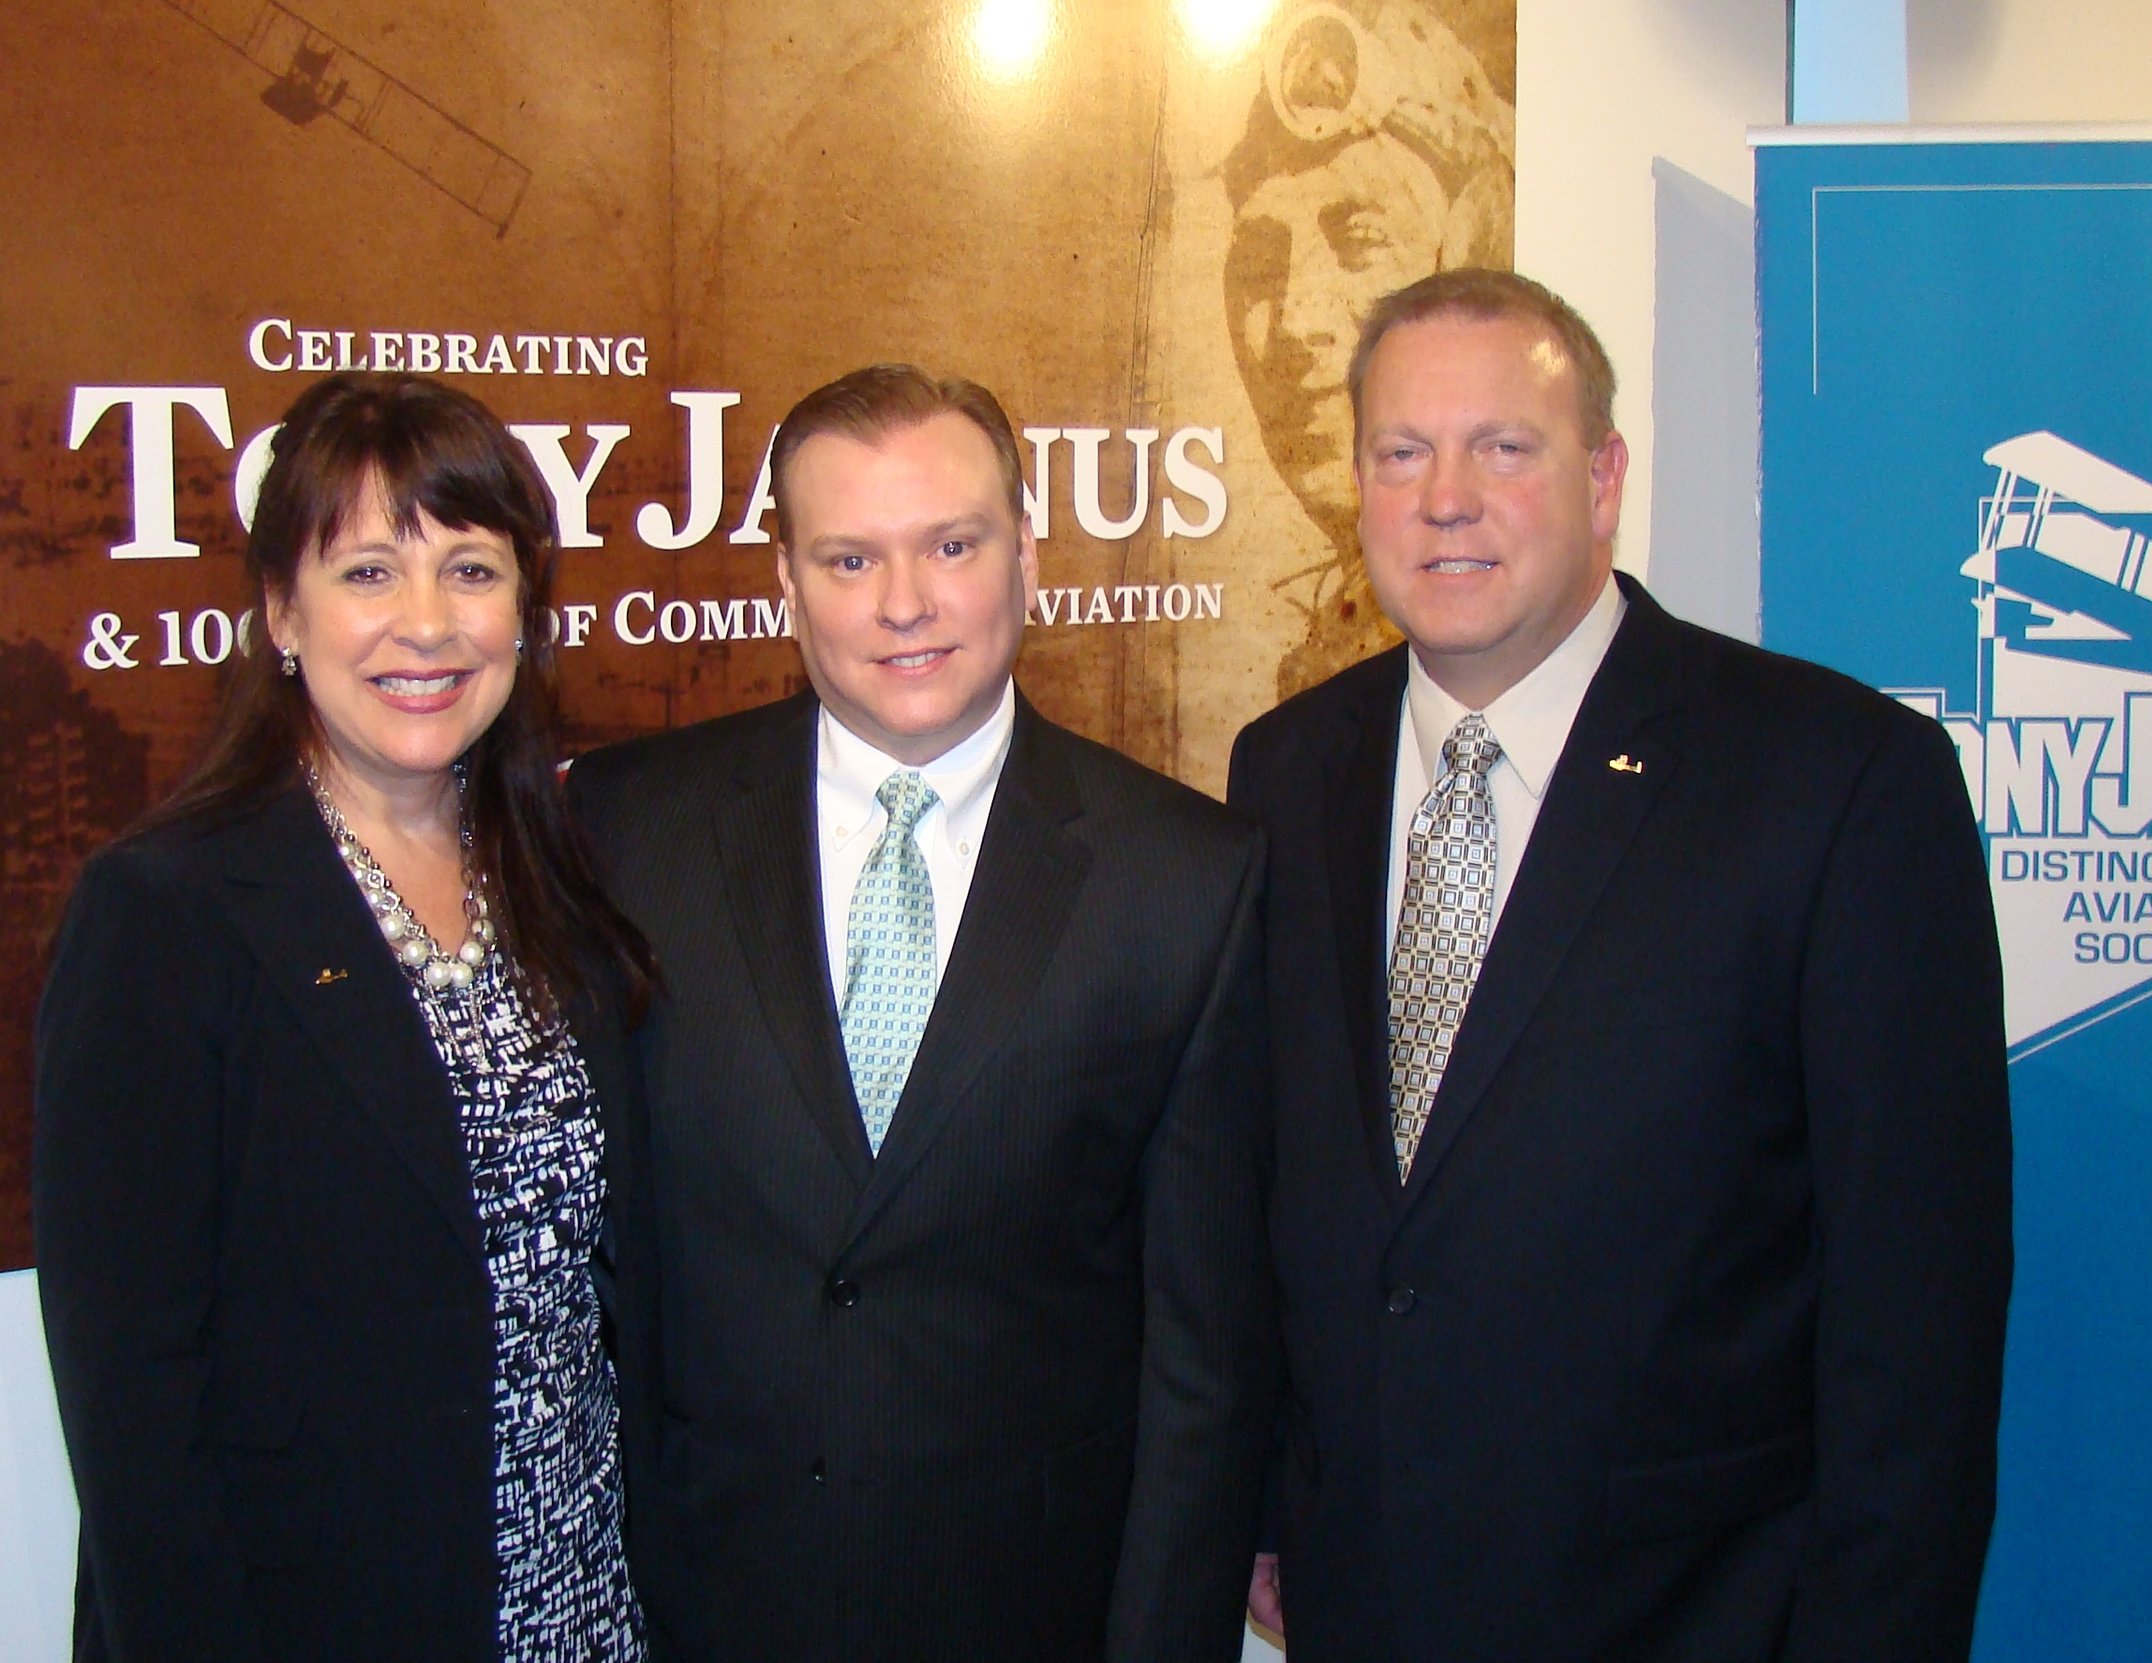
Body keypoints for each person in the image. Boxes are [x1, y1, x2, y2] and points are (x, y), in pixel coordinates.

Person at [1226, 268, 2014, 1663]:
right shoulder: (1287, 769)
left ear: (1604, 478)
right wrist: (1272, 1503)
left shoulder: (1835, 781)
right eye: (1401, 452)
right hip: (1365, 1601)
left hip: (1694, 1612)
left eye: (1502, 448)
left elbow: (1918, 1312)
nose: (1444, 496)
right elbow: (1286, 1194)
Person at [568, 364, 1276, 1662]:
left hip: (1028, 1611)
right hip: (701, 1608)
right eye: (849, 557)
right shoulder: (625, 825)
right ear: (785, 578)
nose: (905, 603)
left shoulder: (1186, 874)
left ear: (1028, 551)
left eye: (952, 543)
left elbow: (1206, 1359)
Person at [34, 372, 660, 1663]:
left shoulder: (572, 879)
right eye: (368, 572)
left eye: (471, 571)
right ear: (279, 611)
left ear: (526, 610)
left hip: (586, 1603)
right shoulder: (167, 911)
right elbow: (134, 1405)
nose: (425, 626)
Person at [1220, 0, 1513, 697]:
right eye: (1262, 266)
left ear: (1468, 258)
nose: (1293, 324)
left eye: (1360, 242)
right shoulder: (1308, 712)